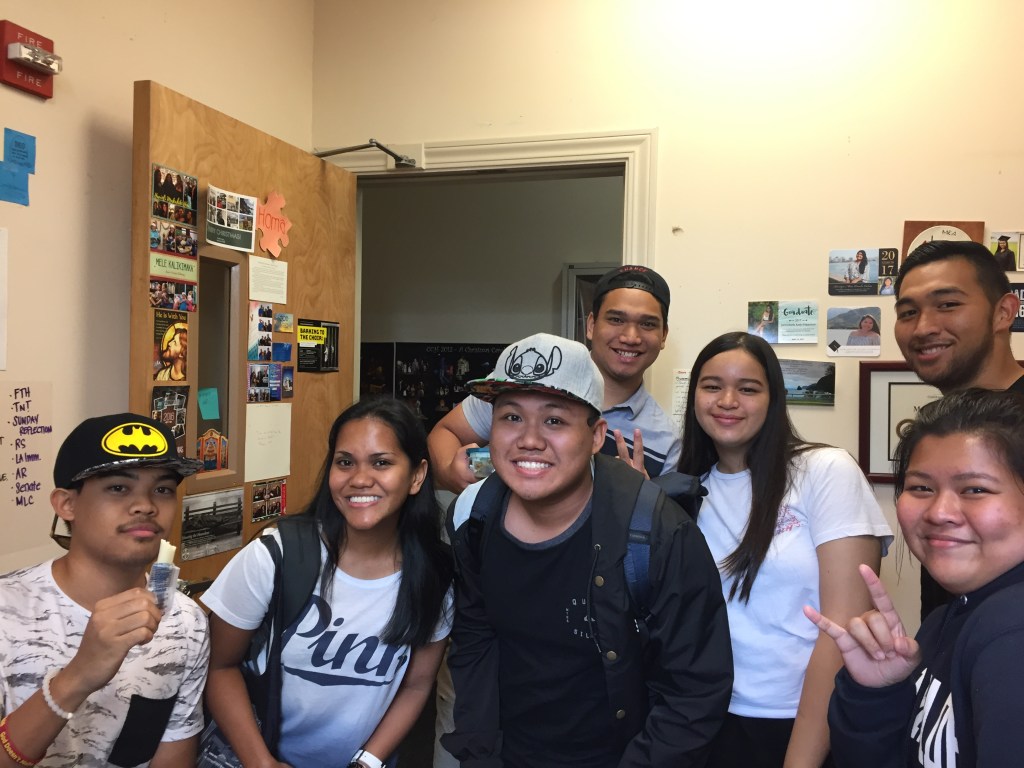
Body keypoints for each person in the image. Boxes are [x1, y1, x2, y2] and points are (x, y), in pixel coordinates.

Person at [442, 333, 732, 768]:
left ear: (596, 436)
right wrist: (480, 753)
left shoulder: (657, 532)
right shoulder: (472, 516)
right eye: (511, 417)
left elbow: (694, 691)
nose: (529, 439)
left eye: (555, 420)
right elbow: (474, 640)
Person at [678, 331, 892, 768]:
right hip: (707, 719)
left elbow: (843, 629)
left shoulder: (824, 471)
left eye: (748, 388)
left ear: (773, 399)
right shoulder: (685, 490)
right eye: (712, 386)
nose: (727, 401)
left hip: (805, 721)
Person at [202, 398, 454, 768]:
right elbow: (220, 667)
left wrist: (367, 762)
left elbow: (416, 684)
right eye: (345, 462)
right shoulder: (276, 554)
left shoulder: (435, 574)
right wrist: (261, 763)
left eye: (381, 463)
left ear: (417, 476)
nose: (360, 479)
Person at [805, 389, 1024, 767]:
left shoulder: (1011, 630)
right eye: (921, 487)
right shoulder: (947, 620)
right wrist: (877, 692)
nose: (939, 512)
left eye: (975, 489)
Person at [0, 413, 207, 766]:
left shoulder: (186, 623)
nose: (146, 505)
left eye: (163, 489)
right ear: (67, 504)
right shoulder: (8, 611)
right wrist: (79, 675)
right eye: (118, 488)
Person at [428, 265, 681, 491]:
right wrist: (451, 472)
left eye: (648, 324)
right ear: (591, 325)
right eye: (616, 319)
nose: (630, 337)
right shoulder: (520, 383)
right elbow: (445, 432)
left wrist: (643, 497)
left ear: (663, 335)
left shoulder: (667, 441)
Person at [893, 239, 1024, 618]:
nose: (923, 328)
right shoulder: (936, 427)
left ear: (1004, 312)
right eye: (908, 312)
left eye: (948, 304)